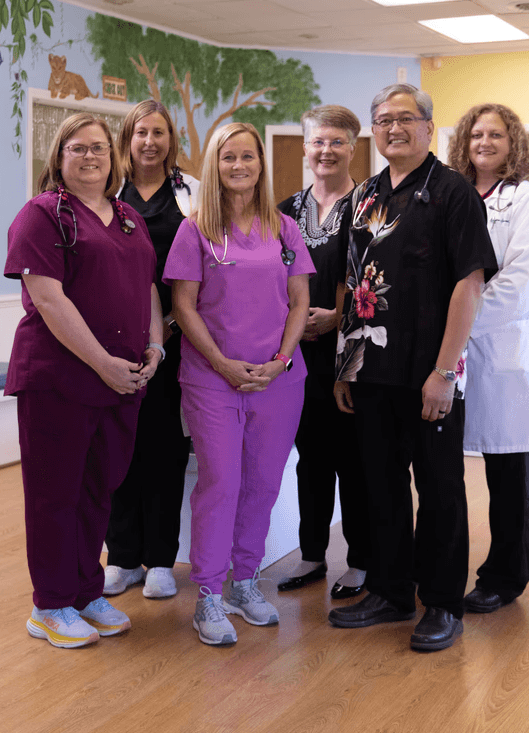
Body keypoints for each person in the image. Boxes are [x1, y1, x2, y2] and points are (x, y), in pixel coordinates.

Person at [328, 84, 497, 652]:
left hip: (432, 375)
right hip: (372, 372)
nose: (393, 128)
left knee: (441, 489)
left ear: (428, 127)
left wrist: (444, 373)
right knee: (381, 486)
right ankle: (392, 590)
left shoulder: (453, 194)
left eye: (404, 119)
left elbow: (469, 285)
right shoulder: (364, 197)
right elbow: (352, 285)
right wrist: (345, 366)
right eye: (382, 120)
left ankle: (444, 602)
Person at [4, 114, 163, 648]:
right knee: (55, 493)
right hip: (60, 377)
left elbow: (148, 287)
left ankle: (85, 591)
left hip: (121, 379)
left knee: (98, 490)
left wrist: (156, 345)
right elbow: (49, 299)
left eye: (99, 148)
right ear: (60, 156)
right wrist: (102, 363)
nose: (91, 156)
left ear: (113, 156)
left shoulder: (127, 218)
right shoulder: (43, 215)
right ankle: (50, 603)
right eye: (78, 148)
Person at [164, 122, 314, 647]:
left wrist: (281, 358)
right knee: (221, 481)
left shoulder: (284, 228)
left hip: (278, 378)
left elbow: (299, 302)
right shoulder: (195, 229)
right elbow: (183, 306)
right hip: (212, 377)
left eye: (248, 157)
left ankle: (244, 581)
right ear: (214, 165)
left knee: (263, 482)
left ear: (261, 164)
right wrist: (224, 364)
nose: (239, 166)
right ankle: (207, 591)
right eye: (229, 157)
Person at [448, 103, 529, 613]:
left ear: (513, 142)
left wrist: (453, 327)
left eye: (496, 134)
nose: (485, 143)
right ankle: (439, 566)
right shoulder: (452, 195)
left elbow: (520, 285)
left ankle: (506, 575)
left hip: (505, 353)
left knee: (507, 471)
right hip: (452, 355)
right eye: (476, 134)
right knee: (442, 470)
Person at [103, 101, 198, 601]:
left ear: (170, 140)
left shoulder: (191, 196)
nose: (149, 142)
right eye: (141, 132)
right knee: (118, 447)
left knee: (164, 449)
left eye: (159, 133)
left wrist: (168, 324)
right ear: (128, 137)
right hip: (115, 345)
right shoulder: (105, 193)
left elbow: (205, 267)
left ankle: (161, 559)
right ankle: (121, 557)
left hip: (176, 341)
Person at [277, 105, 370, 599]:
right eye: (318, 141)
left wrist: (338, 319)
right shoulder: (285, 210)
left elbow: (378, 278)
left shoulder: (370, 206)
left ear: (353, 147)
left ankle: (360, 561)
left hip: (352, 355)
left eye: (336, 141)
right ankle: (312, 553)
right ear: (306, 145)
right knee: (310, 458)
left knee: (354, 459)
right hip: (298, 356)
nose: (326, 150)